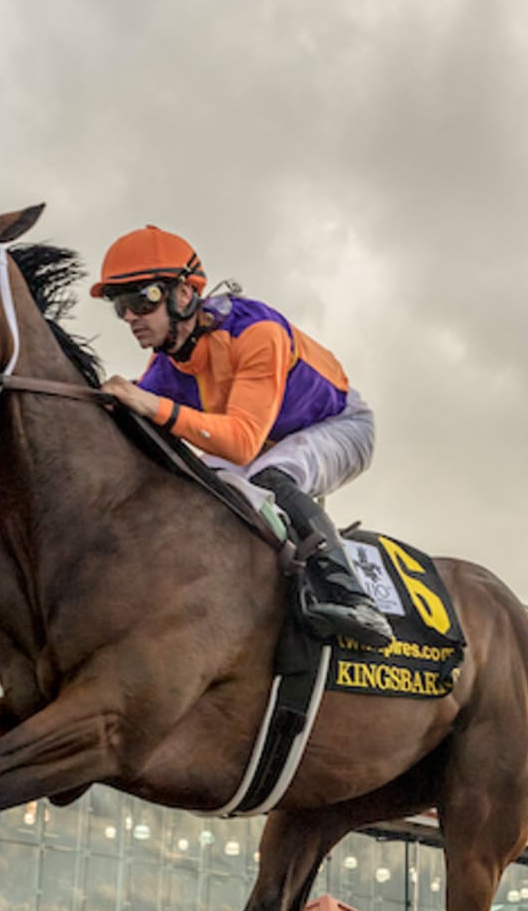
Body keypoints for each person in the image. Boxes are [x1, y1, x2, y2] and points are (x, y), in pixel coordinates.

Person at [91, 225, 392, 648]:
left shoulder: (256, 331)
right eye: (120, 306)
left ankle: (357, 600)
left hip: (339, 426)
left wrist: (147, 404)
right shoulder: (167, 367)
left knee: (270, 475)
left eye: (143, 300)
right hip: (266, 442)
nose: (130, 317)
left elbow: (241, 444)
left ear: (183, 295)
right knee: (192, 485)